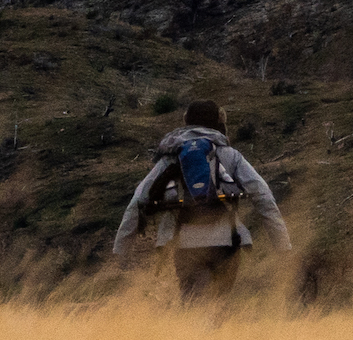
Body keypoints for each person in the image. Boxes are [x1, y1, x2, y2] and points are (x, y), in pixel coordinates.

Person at [113, 99, 290, 300]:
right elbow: (264, 197)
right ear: (218, 122)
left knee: (193, 306)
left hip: (185, 244)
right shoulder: (230, 155)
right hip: (226, 243)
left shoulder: (171, 157)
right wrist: (282, 245)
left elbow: (137, 202)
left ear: (187, 122)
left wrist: (121, 250)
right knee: (219, 306)